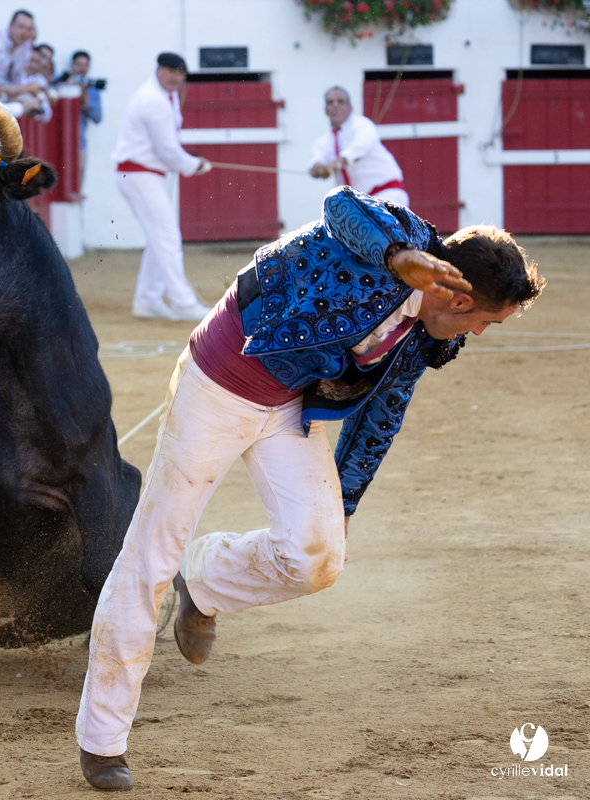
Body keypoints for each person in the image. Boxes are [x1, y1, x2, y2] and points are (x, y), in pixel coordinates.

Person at [75, 187, 545, 792]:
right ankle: (103, 740)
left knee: (319, 555)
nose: (478, 333)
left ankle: (209, 580)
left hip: (288, 408)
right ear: (456, 298)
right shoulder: (396, 238)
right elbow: (341, 209)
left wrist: (343, 503)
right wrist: (398, 258)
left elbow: (381, 415)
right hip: (217, 386)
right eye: (484, 319)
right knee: (150, 554)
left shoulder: (433, 334)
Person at [113, 52, 212, 321]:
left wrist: (190, 163)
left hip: (143, 173)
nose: (176, 77)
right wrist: (194, 165)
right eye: (171, 71)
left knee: (160, 238)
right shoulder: (154, 100)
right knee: (168, 236)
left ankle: (147, 300)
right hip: (139, 173)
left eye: (180, 73)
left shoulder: (162, 96)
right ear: (158, 70)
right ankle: (183, 303)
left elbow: (167, 148)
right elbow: (167, 149)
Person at [310, 86, 408, 207]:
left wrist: (339, 161)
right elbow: (316, 160)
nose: (335, 106)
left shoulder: (362, 124)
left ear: (350, 108)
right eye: (330, 102)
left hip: (386, 192)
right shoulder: (324, 141)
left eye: (340, 101)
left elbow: (361, 145)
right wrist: (318, 169)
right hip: (360, 204)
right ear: (325, 109)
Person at [0, 10, 36, 100]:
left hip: (10, 92)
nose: (24, 32)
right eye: (21, 27)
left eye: (28, 29)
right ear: (10, 25)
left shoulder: (26, 46)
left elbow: (19, 78)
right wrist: (24, 89)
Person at [61, 50, 102, 152]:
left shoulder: (92, 88)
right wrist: (67, 87)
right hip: (58, 142)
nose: (82, 68)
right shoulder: (61, 81)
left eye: (85, 65)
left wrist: (84, 96)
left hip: (79, 144)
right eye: (79, 64)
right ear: (72, 65)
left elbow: (97, 118)